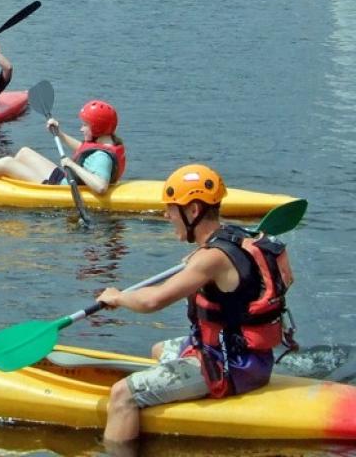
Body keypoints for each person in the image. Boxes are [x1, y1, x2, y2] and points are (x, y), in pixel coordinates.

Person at [95, 164, 296, 451]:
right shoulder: (240, 238)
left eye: (172, 209)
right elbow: (285, 279)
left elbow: (153, 301)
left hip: (230, 366)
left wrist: (118, 297)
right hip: (250, 356)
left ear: (193, 211)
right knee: (158, 350)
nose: (166, 215)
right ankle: (174, 400)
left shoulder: (210, 259)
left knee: (122, 393)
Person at [0, 99, 125, 193]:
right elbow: (84, 150)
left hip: (59, 189)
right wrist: (60, 134)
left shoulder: (102, 158)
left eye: (85, 125)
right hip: (65, 180)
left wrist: (72, 166)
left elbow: (100, 187)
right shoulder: (103, 143)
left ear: (98, 127)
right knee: (24, 152)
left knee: (6, 163)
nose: (81, 129)